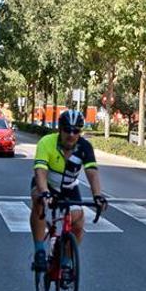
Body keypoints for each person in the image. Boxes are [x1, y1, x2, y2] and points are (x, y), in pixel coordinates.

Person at [30, 110, 108, 271]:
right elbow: (40, 171)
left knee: (78, 223)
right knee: (38, 202)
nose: (71, 134)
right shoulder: (46, 142)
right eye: (67, 130)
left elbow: (92, 173)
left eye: (76, 130)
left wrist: (98, 195)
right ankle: (39, 251)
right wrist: (45, 192)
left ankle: (65, 260)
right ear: (59, 129)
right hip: (46, 183)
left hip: (69, 186)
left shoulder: (85, 146)